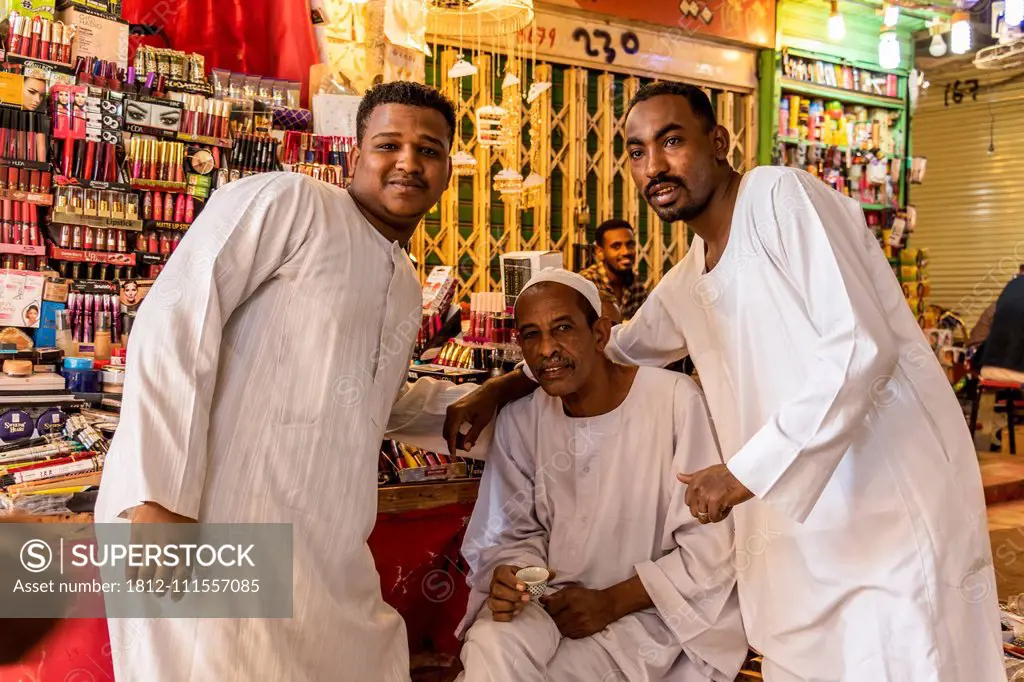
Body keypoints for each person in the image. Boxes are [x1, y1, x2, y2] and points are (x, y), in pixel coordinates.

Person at [445, 81, 1004, 681]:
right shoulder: (693, 275)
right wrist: (499, 388)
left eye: (672, 140)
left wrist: (743, 471)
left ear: (718, 141)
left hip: (884, 511)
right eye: (636, 151)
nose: (653, 165)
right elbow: (609, 347)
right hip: (800, 530)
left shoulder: (779, 197)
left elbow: (859, 348)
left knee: (899, 660)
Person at [96, 81, 479, 682]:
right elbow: (178, 316)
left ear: (448, 170)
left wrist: (490, 397)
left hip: (323, 549)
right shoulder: (292, 200)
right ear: (354, 157)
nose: (409, 161)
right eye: (389, 144)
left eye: (429, 150)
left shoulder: (404, 281)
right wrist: (158, 494)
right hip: (209, 523)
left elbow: (370, 397)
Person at [456, 268, 746, 682]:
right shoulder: (521, 419)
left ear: (600, 334)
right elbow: (512, 535)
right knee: (491, 643)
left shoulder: (674, 402)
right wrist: (516, 579)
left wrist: (610, 603)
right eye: (531, 335)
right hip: (549, 604)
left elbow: (710, 549)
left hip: (650, 615)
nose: (548, 349)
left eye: (562, 328)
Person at [580, 219, 647, 320]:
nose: (626, 252)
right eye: (616, 246)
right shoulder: (586, 283)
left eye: (630, 245)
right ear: (600, 252)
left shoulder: (637, 286)